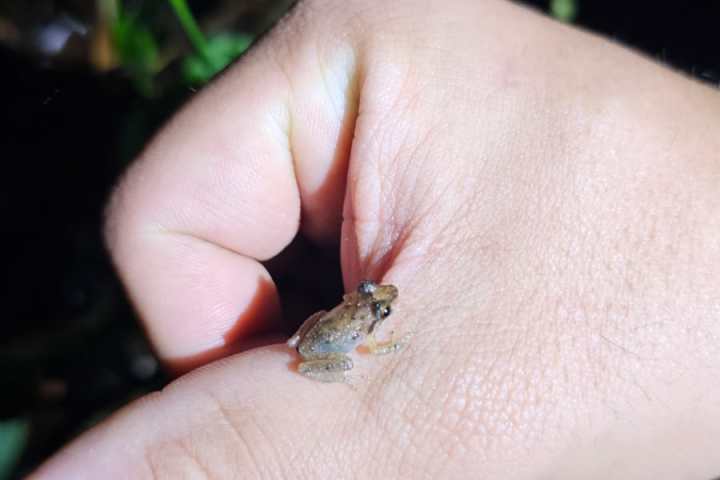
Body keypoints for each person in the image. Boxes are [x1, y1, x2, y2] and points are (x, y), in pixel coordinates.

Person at [32, 0, 720, 477]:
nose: (380, 300)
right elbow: (350, 337)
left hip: (316, 333)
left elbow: (348, 324)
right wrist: (367, 341)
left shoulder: (359, 310)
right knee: (329, 354)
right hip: (319, 344)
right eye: (376, 301)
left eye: (379, 303)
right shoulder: (362, 322)